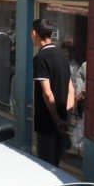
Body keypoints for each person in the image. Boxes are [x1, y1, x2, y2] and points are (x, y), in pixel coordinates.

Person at [30, 18, 73, 167]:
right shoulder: (63, 57)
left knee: (46, 166)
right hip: (62, 124)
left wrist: (56, 120)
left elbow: (47, 93)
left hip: (48, 124)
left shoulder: (40, 59)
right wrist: (66, 119)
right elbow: (71, 90)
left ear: (35, 33)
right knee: (56, 166)